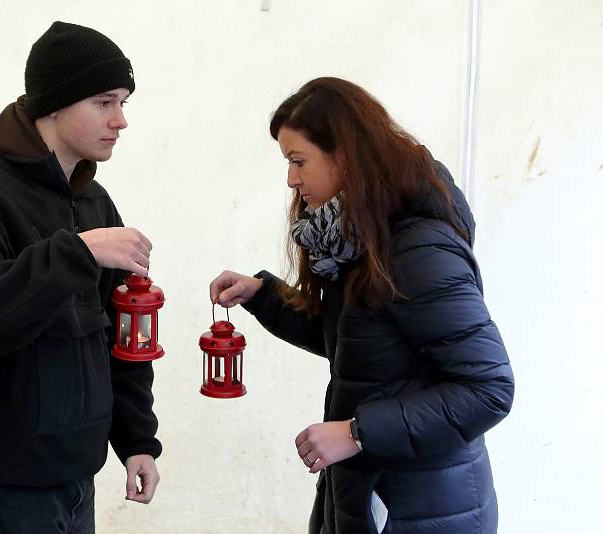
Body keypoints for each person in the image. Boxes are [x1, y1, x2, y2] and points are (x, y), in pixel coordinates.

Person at [209, 77, 514, 534]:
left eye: (298, 161)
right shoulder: (358, 240)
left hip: (422, 507)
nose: (291, 179)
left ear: (345, 155)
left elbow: (488, 389)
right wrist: (264, 296)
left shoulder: (416, 252)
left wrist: (356, 432)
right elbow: (356, 342)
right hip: (372, 493)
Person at [0, 21, 161, 533]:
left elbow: (121, 335)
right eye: (104, 101)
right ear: (54, 104)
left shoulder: (94, 202)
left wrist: (136, 439)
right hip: (2, 487)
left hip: (77, 472)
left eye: (123, 102)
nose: (121, 120)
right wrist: (76, 253)